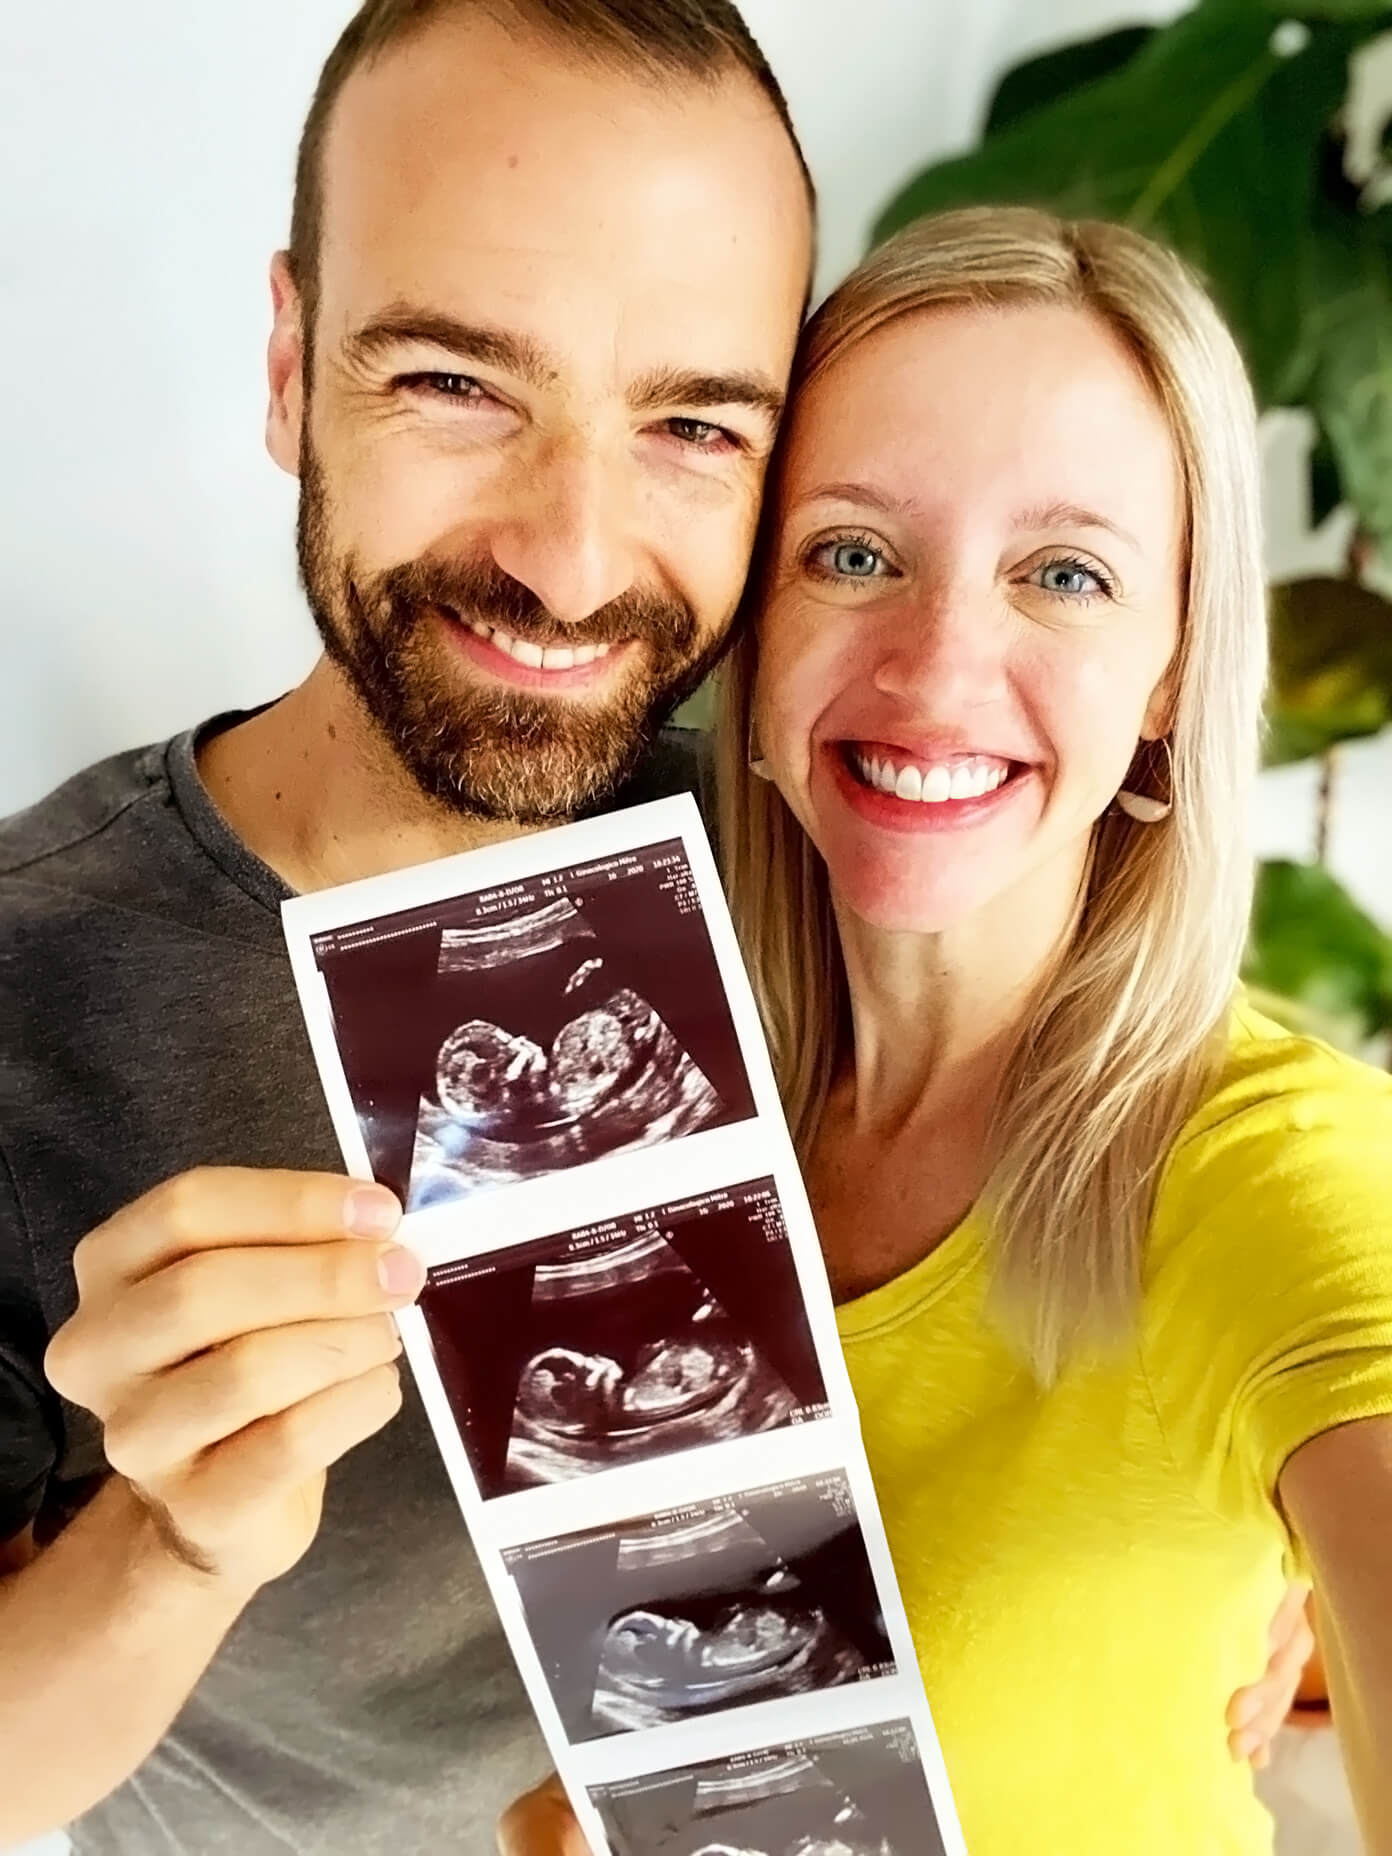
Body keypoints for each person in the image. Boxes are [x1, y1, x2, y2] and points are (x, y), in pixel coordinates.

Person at [0, 2, 812, 1849]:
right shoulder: (19, 988)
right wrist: (174, 1538)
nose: (573, 558)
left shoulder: (814, 859)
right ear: (292, 366)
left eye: (691, 425)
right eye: (456, 383)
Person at [499, 207, 1392, 1856]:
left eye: (1067, 574)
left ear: (1171, 671)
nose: (936, 665)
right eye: (852, 550)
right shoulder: (607, 1097)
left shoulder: (1285, 1174)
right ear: (752, 626)